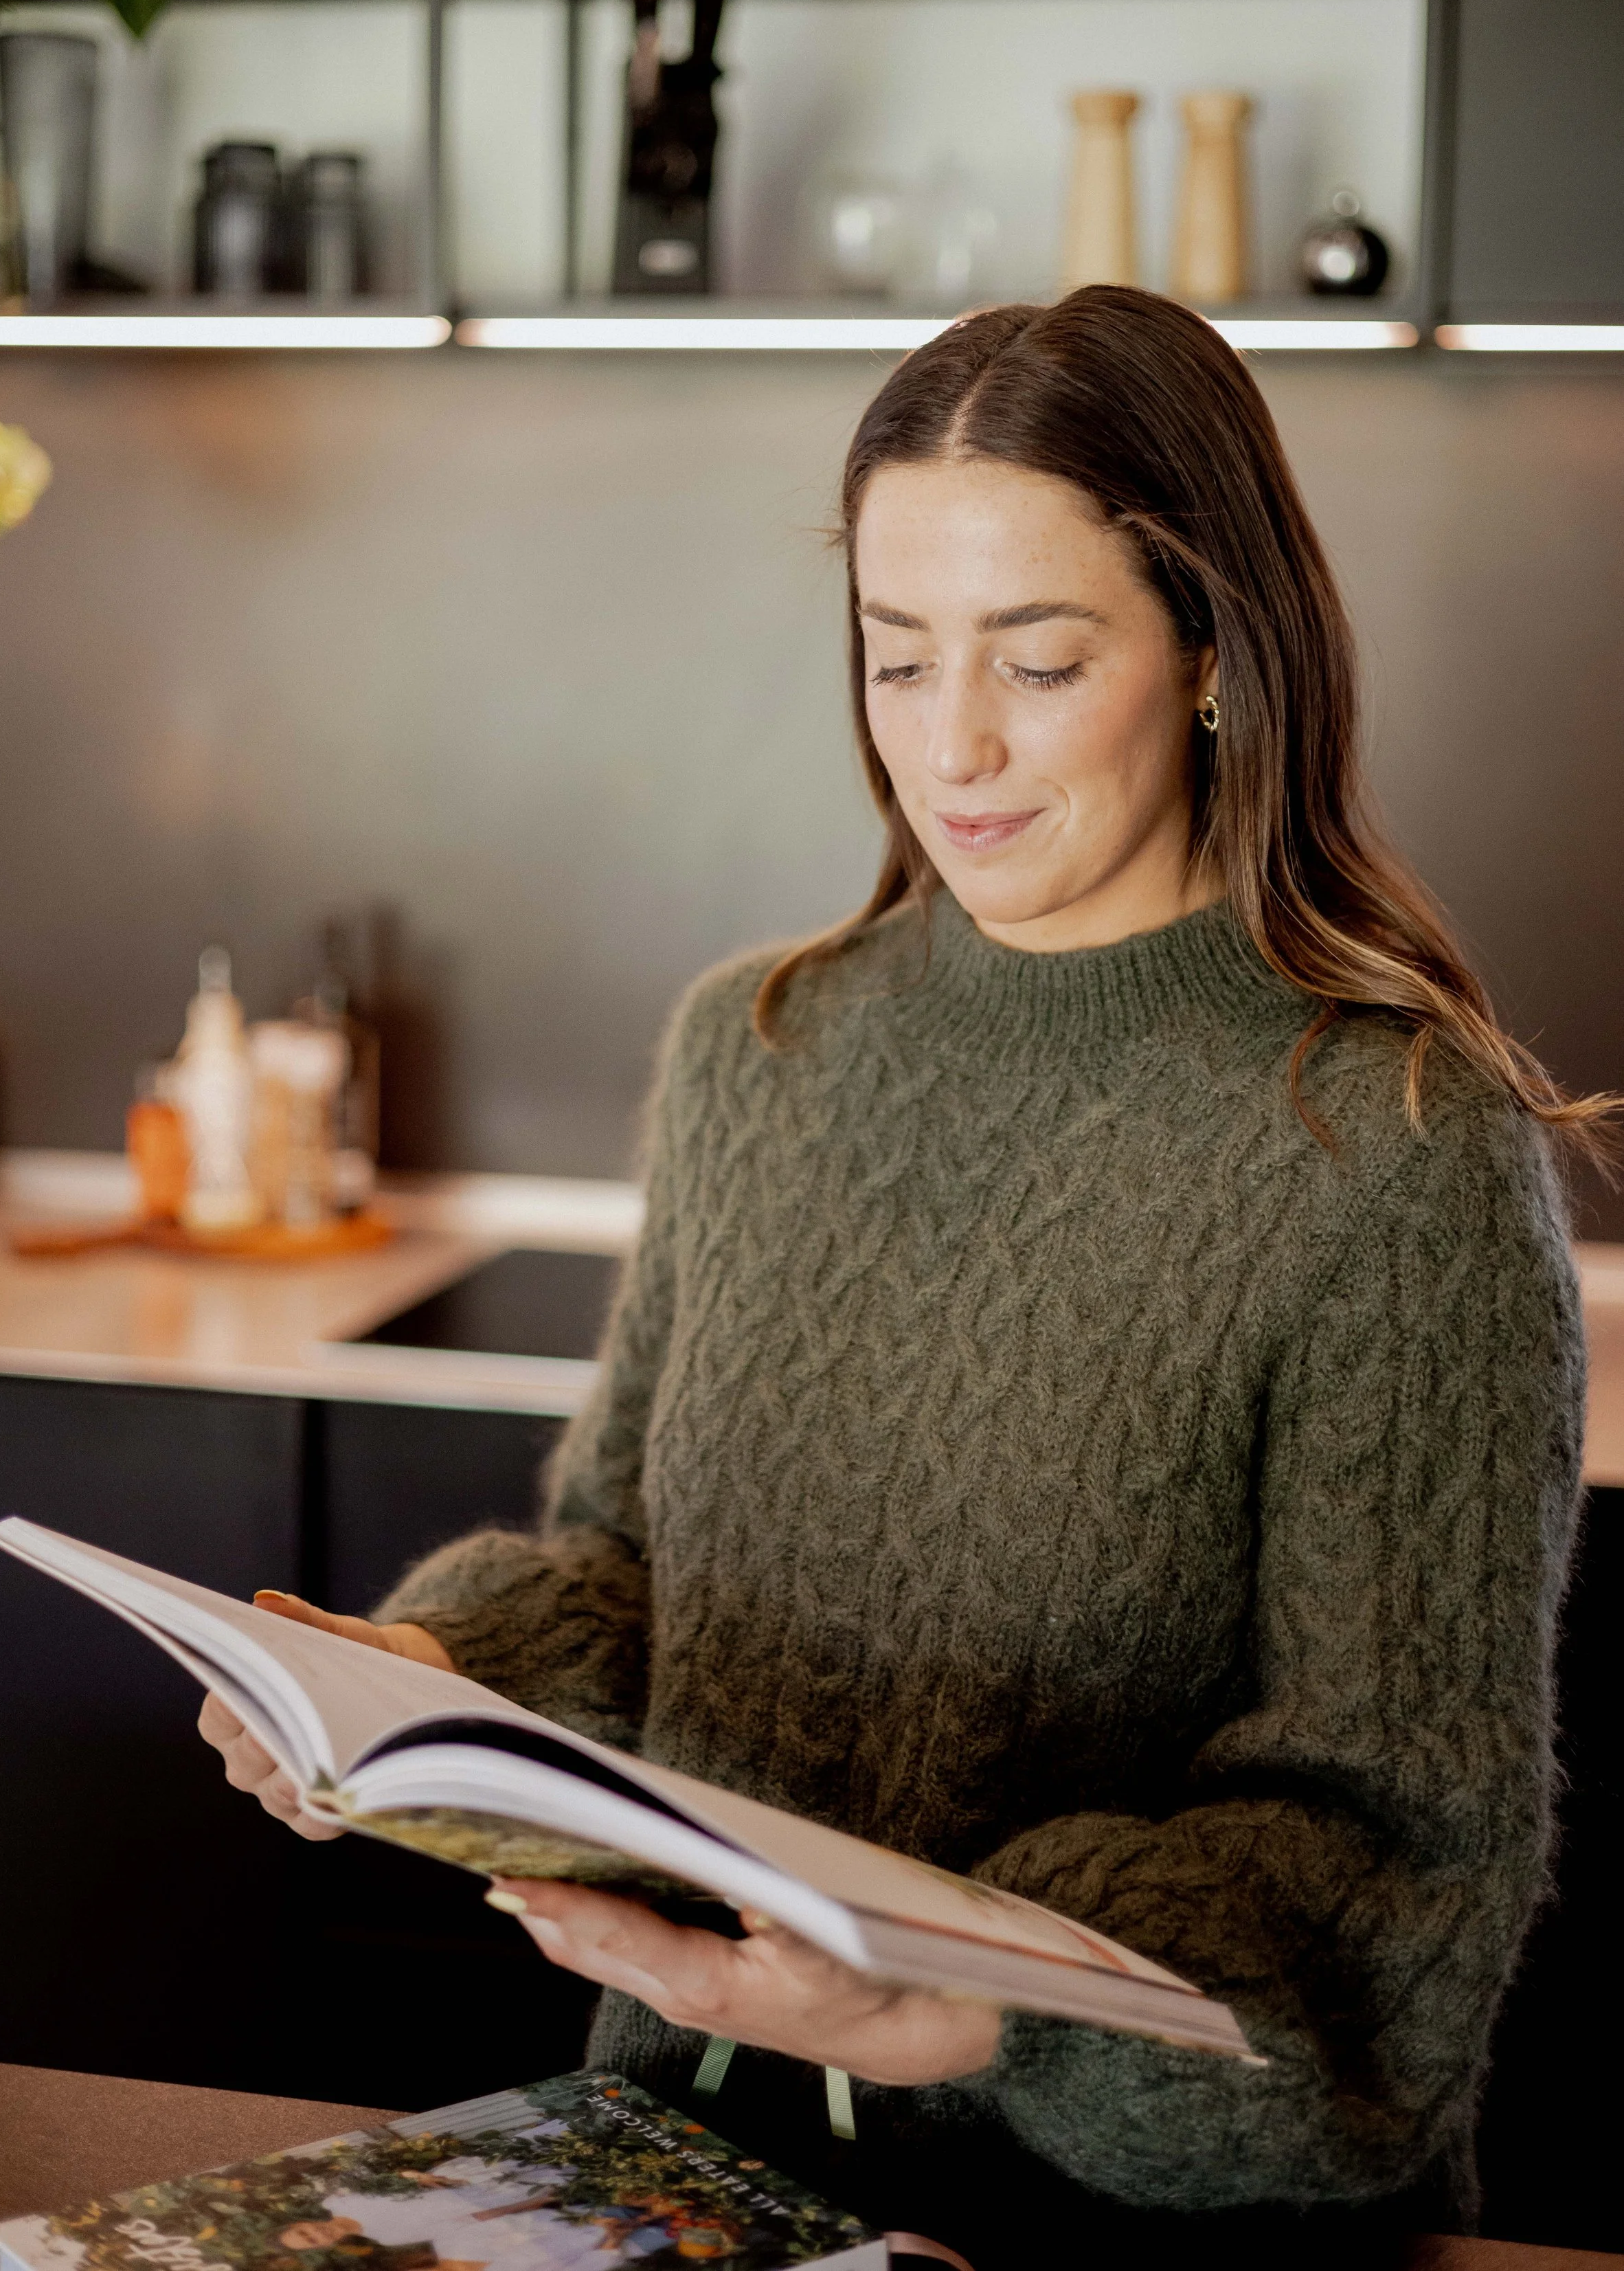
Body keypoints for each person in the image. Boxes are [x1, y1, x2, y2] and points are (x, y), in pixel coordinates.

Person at [203, 291, 1608, 2267]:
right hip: (672, 2161)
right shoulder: (756, 1046)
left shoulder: (1393, 1145)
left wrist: (972, 2010)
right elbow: (621, 1573)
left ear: (1215, 652)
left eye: (1040, 661)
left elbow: (1385, 1869)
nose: (951, 745)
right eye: (894, 657)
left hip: (1110, 2221)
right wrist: (424, 1692)